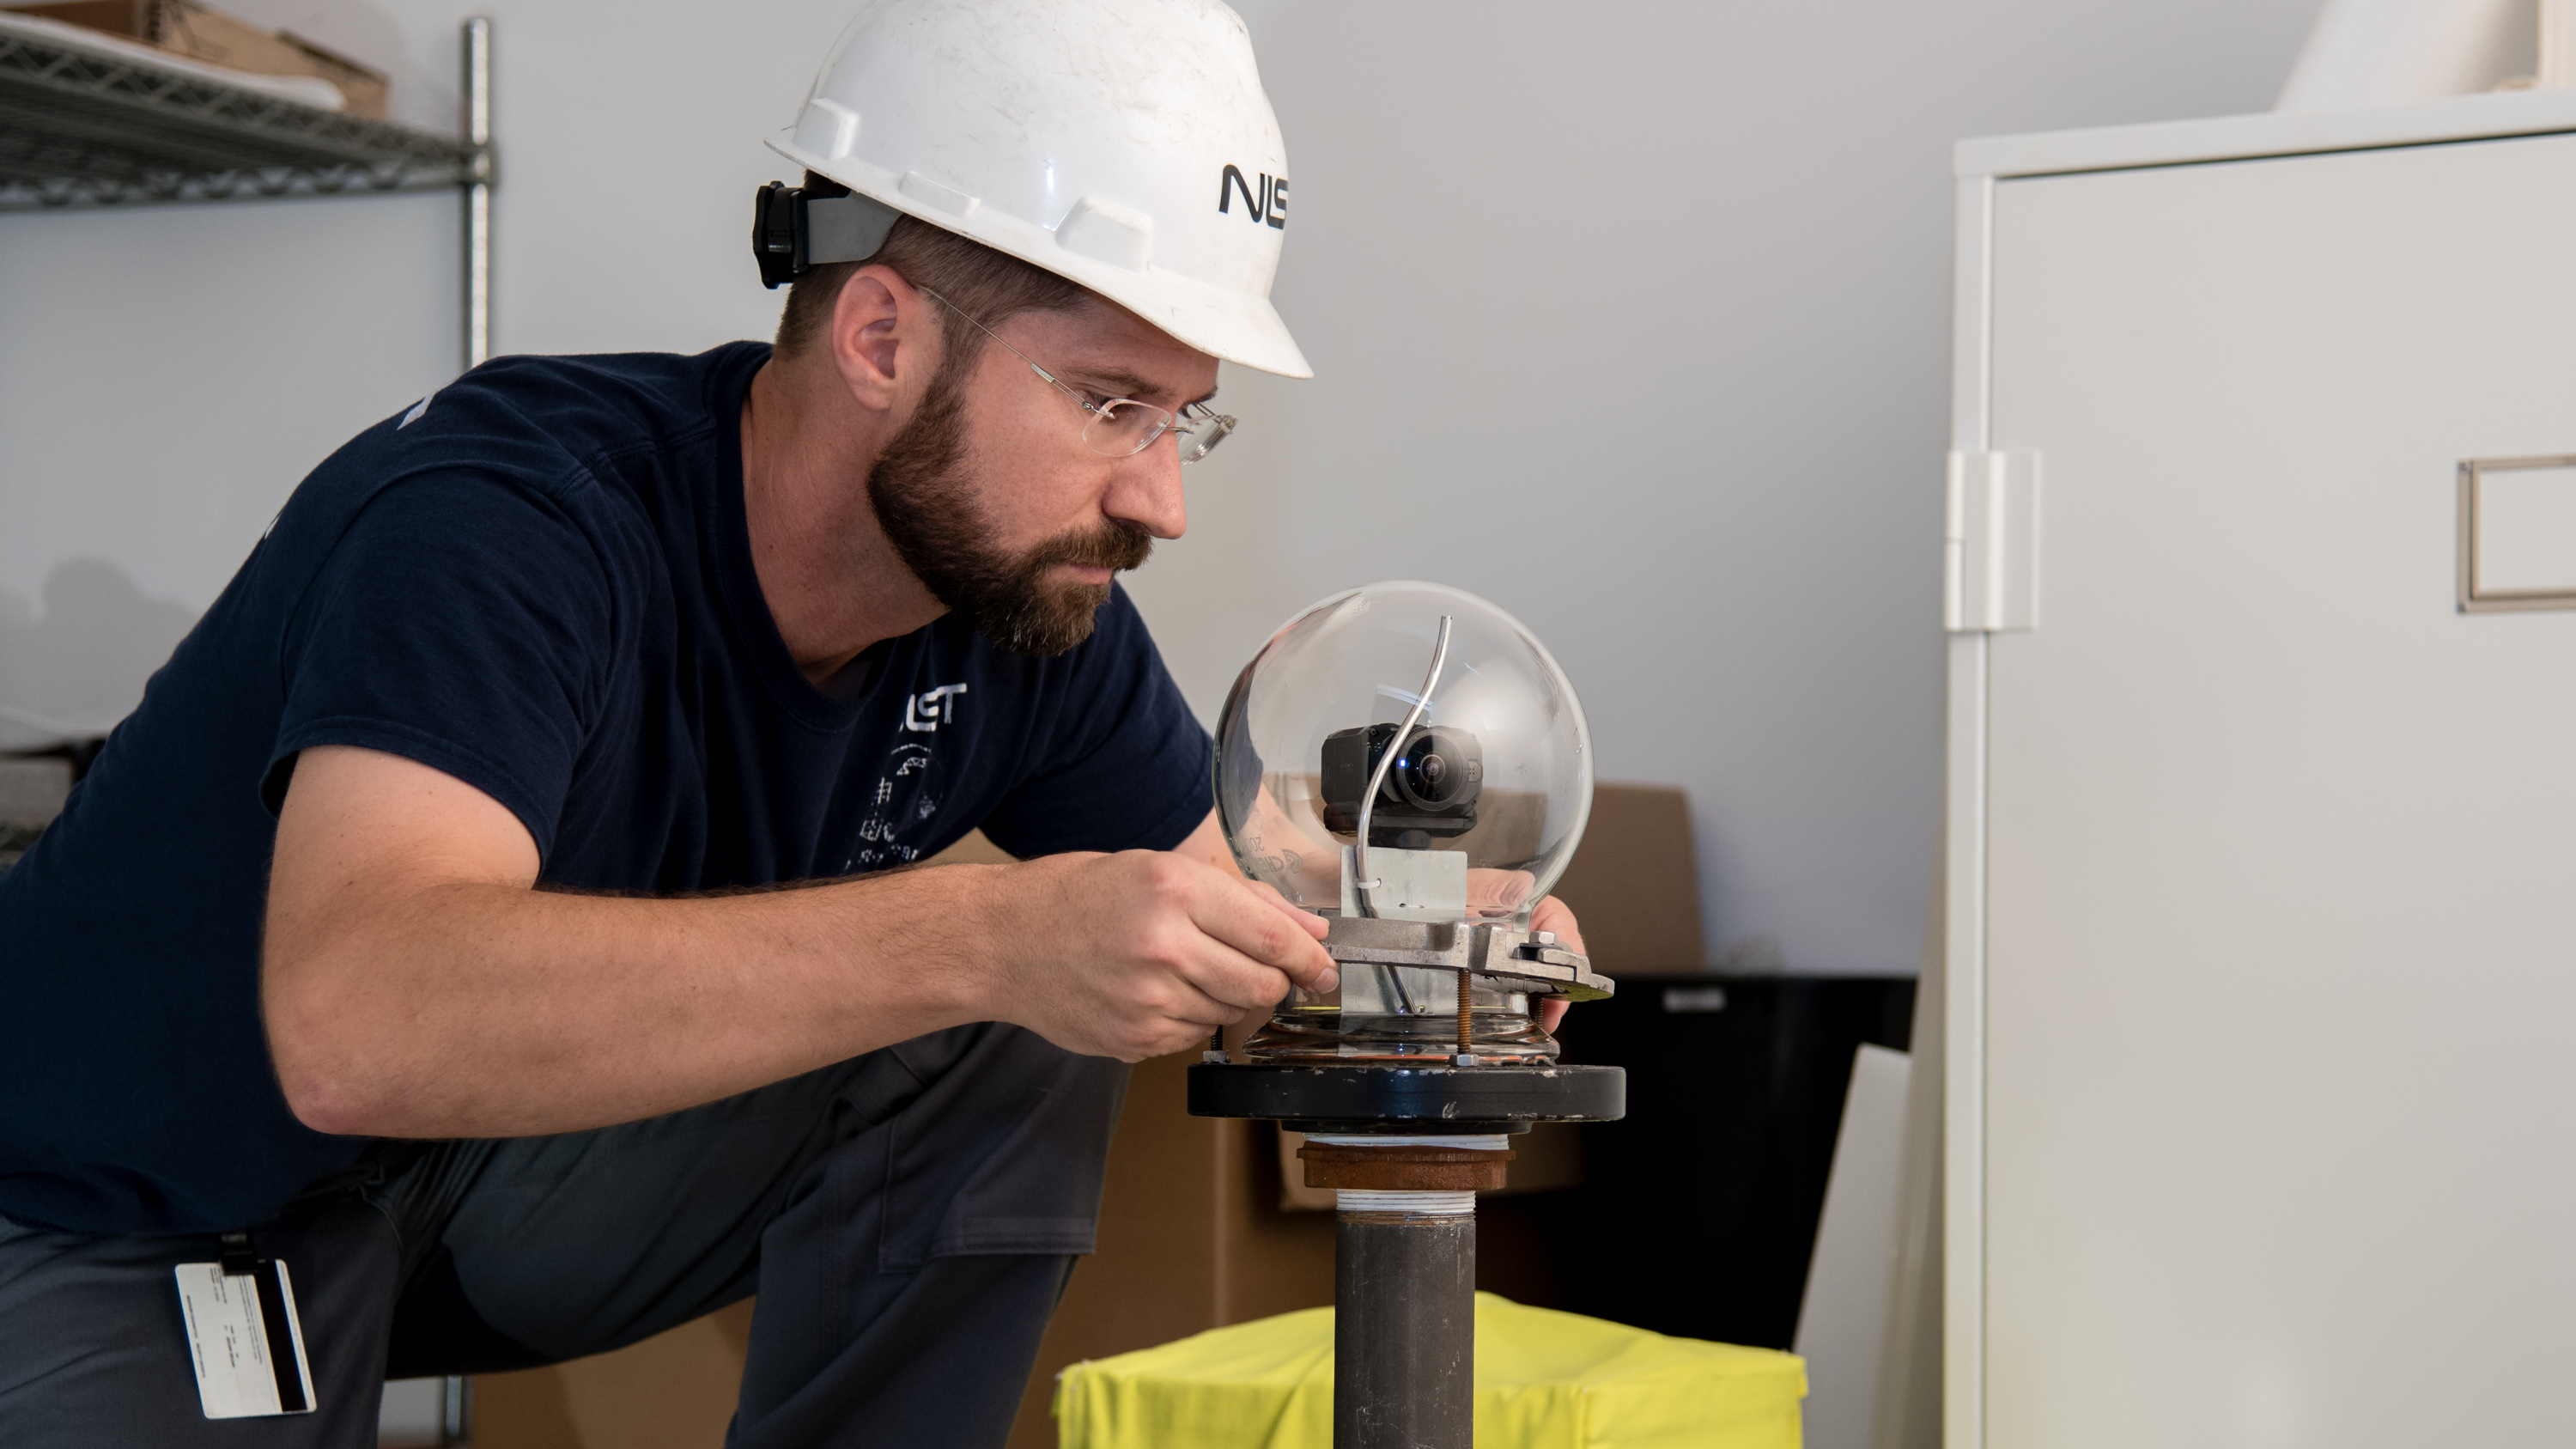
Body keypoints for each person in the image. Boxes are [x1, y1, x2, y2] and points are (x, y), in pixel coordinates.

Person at [0, 1, 1581, 1444]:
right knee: (1009, 951)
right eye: (1109, 405)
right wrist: (989, 932)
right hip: (123, 1209)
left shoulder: (1026, 596)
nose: (1157, 497)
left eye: (1184, 421)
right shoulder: (509, 520)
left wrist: (1426, 946)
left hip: (463, 1210)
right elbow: (358, 1025)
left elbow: (1227, 907)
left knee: (1046, 987)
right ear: (881, 338)